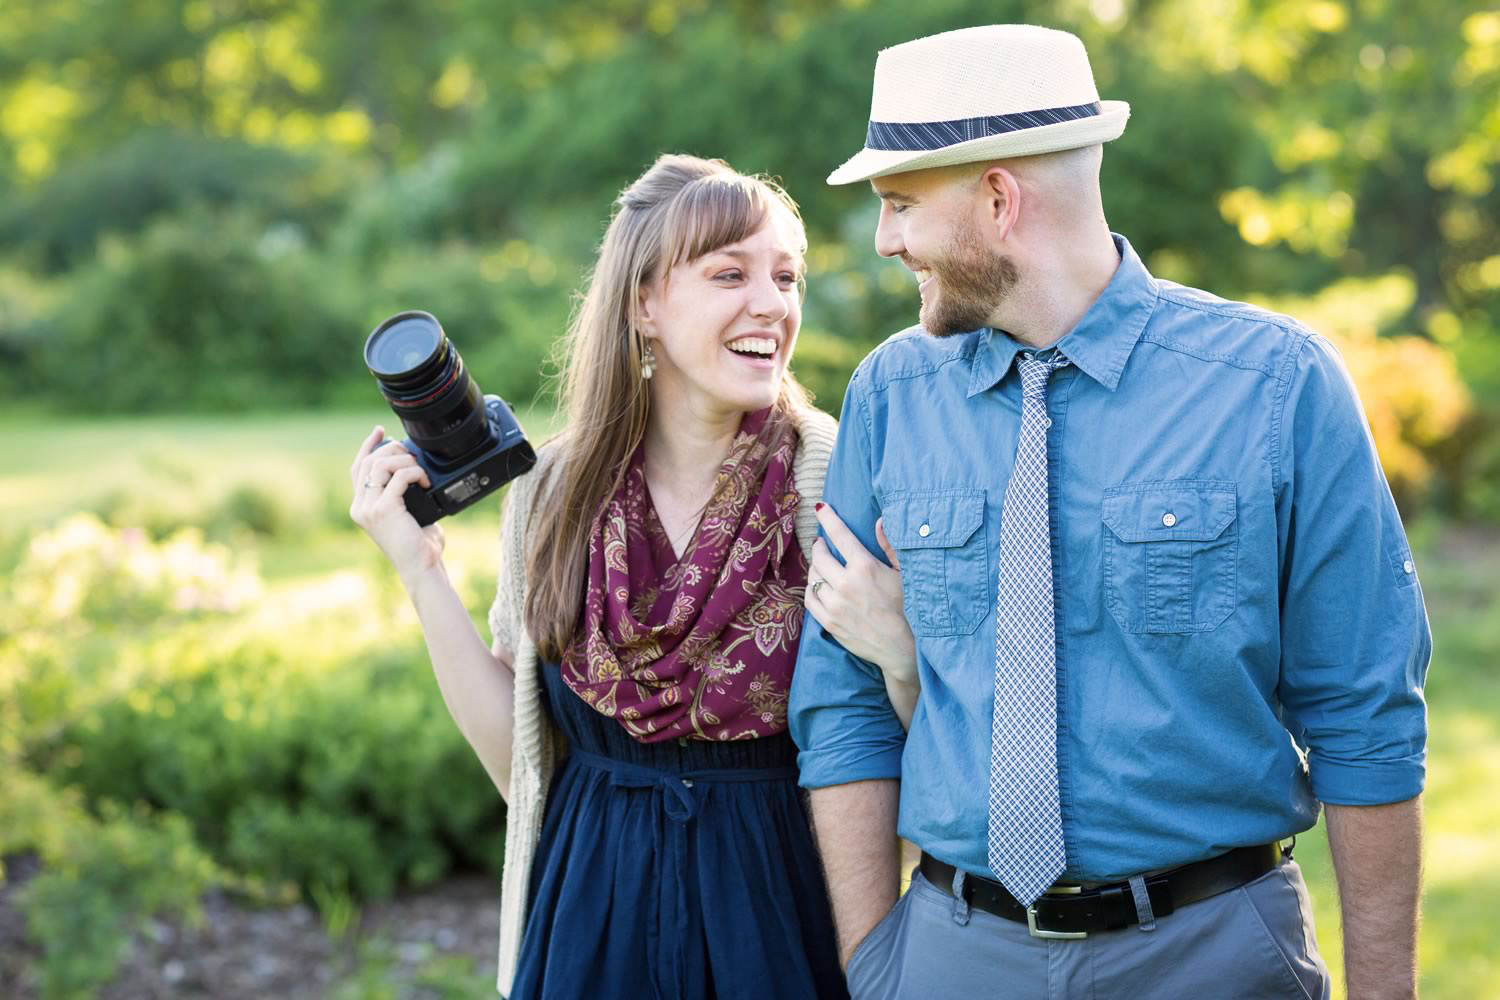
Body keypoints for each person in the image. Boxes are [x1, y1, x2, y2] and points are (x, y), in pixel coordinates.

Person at [789, 24, 1430, 1000]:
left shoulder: (1277, 388)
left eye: (900, 204)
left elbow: (1366, 714)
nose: (886, 240)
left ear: (1000, 199)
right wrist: (875, 963)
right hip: (957, 960)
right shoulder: (892, 395)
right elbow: (840, 704)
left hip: (1214, 959)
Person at [350, 153, 915, 1000]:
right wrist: (420, 569)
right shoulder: (552, 489)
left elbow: (923, 741)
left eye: (787, 277)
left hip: (782, 917)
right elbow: (525, 768)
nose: (772, 303)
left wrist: (903, 654)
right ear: (644, 303)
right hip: (591, 915)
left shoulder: (836, 480)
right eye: (730, 274)